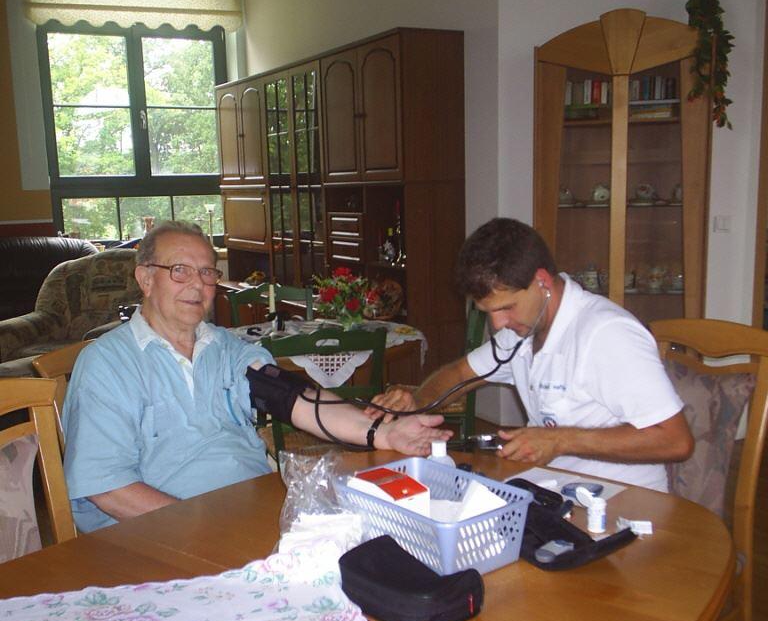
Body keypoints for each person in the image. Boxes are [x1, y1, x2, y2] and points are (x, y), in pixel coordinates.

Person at [63, 221, 449, 532]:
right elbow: (107, 489)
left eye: (207, 272)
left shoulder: (225, 347)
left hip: (250, 511)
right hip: (159, 532)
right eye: (179, 271)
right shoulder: (106, 364)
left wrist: (382, 433)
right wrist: (200, 529)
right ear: (146, 279)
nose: (197, 284)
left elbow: (292, 397)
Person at [368, 217, 693, 491]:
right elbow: (459, 374)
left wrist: (559, 440)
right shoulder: (523, 330)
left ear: (542, 282)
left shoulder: (606, 333)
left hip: (624, 504)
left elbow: (675, 440)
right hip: (557, 490)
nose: (498, 325)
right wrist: (417, 402)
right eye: (488, 312)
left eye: (506, 308)